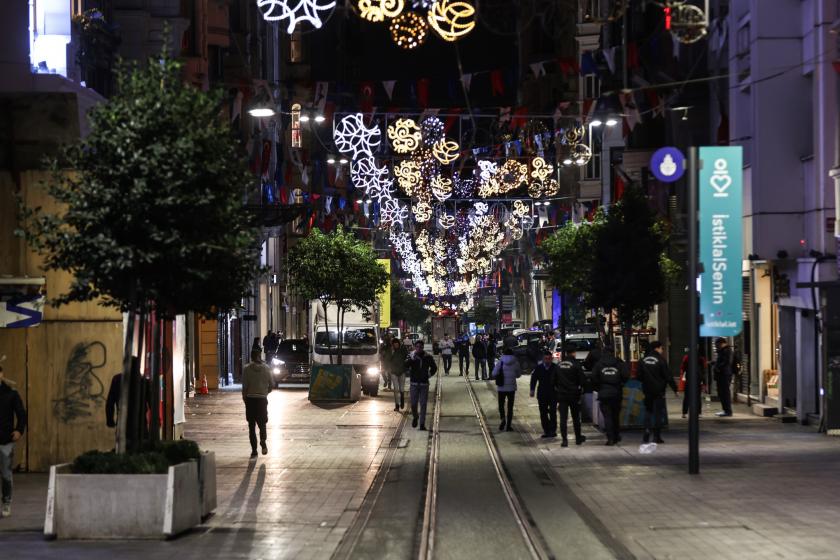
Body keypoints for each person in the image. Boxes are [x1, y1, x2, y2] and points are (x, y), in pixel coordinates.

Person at [638, 341, 679, 444]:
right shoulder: (661, 360)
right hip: (659, 391)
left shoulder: (642, 360)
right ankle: (657, 436)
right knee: (657, 413)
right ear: (658, 348)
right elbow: (668, 376)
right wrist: (675, 389)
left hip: (647, 390)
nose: (662, 350)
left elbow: (639, 376)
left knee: (648, 411)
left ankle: (647, 431)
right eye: (662, 348)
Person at [0, 365, 27, 518]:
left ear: (1, 374)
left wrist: (19, 430)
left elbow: (21, 414)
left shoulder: (11, 394)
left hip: (5, 440)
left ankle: (6, 503)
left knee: (6, 474)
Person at [592, 348, 628, 446]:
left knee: (607, 417)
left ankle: (610, 438)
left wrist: (599, 388)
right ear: (613, 353)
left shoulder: (599, 364)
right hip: (616, 392)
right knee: (616, 416)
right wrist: (621, 384)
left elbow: (593, 378)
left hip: (604, 393)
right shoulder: (619, 363)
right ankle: (616, 436)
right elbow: (626, 375)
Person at [242, 349, 273, 458]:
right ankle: (263, 441)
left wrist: (245, 400)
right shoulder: (266, 368)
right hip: (261, 400)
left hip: (250, 400)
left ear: (251, 357)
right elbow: (272, 385)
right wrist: (264, 393)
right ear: (260, 356)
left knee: (251, 426)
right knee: (262, 424)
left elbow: (244, 387)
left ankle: (254, 451)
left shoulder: (246, 369)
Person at [556, 348, 587, 447]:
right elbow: (582, 380)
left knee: (563, 418)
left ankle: (564, 440)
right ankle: (578, 438)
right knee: (576, 417)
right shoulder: (576, 364)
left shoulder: (559, 365)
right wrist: (580, 388)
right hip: (573, 394)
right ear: (573, 353)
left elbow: (553, 380)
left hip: (562, 395)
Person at [406, 341, 437, 430]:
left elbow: (434, 368)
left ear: (423, 347)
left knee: (423, 404)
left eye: (420, 347)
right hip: (414, 384)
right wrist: (411, 359)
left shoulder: (428, 357)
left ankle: (422, 424)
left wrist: (428, 375)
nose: (419, 348)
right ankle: (415, 416)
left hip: (424, 384)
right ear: (415, 347)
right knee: (413, 404)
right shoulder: (411, 356)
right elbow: (405, 365)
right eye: (417, 347)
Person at [530, 351, 558, 439]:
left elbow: (560, 380)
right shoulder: (539, 368)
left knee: (553, 412)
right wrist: (532, 390)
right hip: (542, 394)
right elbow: (534, 379)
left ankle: (553, 430)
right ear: (543, 359)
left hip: (553, 394)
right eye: (546, 358)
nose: (547, 360)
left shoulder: (555, 367)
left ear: (552, 359)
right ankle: (546, 430)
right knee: (543, 413)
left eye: (549, 359)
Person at [493, 348, 522, 431]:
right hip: (511, 388)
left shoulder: (500, 362)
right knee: (510, 407)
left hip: (501, 388)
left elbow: (494, 373)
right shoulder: (515, 362)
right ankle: (508, 425)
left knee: (501, 405)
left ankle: (503, 419)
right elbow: (518, 375)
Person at [680, 347, 707, 418]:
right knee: (697, 397)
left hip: (689, 379)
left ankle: (684, 413)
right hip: (698, 379)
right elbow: (703, 371)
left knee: (687, 396)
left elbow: (683, 367)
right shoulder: (701, 358)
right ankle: (699, 413)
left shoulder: (687, 357)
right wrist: (704, 383)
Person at [385, 338, 408, 411]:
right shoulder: (391, 351)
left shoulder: (403, 350)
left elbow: (407, 358)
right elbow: (387, 360)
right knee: (396, 389)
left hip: (402, 371)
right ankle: (397, 405)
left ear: (399, 344)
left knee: (401, 389)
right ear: (392, 345)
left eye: (397, 344)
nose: (396, 345)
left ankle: (402, 397)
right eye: (394, 344)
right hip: (393, 372)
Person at [714, 338, 734, 417]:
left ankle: (728, 411)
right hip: (722, 374)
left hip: (724, 374)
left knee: (725, 393)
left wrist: (718, 367)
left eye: (717, 345)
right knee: (722, 393)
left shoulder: (727, 351)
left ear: (721, 343)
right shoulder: (723, 351)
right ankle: (725, 410)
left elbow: (727, 362)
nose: (716, 347)